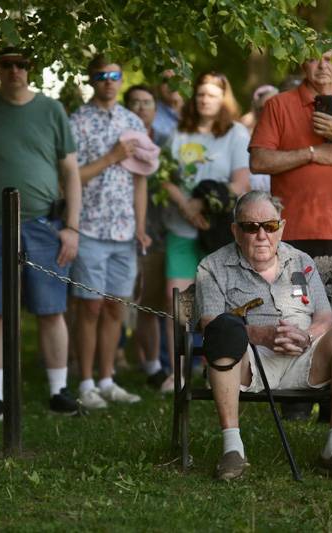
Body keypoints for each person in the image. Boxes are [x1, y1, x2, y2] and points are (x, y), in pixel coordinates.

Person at [197, 191, 332, 481]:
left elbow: (324, 317)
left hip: (305, 356)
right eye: (251, 227)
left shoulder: (300, 261)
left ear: (282, 227)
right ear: (236, 231)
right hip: (247, 361)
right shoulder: (212, 266)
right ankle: (232, 449)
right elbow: (209, 323)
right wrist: (259, 335)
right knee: (223, 331)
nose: (262, 235)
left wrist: (306, 336)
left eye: (270, 226)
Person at [250, 50, 332, 423]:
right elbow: (259, 160)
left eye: (330, 59)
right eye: (314, 59)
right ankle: (295, 399)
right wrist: (312, 153)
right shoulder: (279, 105)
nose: (323, 66)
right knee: (294, 314)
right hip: (294, 233)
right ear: (302, 65)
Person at [0, 46, 82, 419]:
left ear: (30, 68)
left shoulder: (51, 109)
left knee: (51, 309)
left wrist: (73, 227)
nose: (14, 70)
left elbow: (71, 172)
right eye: (6, 64)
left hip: (44, 223)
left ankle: (59, 391)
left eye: (21, 64)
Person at [69, 56, 151, 408]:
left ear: (121, 79)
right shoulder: (76, 121)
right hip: (88, 227)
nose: (108, 81)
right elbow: (70, 178)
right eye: (101, 76)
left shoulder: (132, 121)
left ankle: (107, 379)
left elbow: (140, 181)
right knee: (89, 308)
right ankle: (85, 382)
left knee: (117, 308)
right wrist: (112, 156)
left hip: (124, 231)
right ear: (91, 80)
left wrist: (141, 227)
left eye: (114, 75)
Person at [162, 71, 251, 391]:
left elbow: (241, 183)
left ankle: (219, 371)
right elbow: (164, 177)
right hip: (181, 229)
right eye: (200, 94)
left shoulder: (236, 134)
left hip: (218, 234)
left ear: (223, 99)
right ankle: (178, 373)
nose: (204, 100)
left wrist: (202, 204)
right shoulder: (179, 133)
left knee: (221, 305)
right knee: (176, 301)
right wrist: (186, 206)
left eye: (212, 94)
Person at [124, 84, 171, 389]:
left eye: (147, 102)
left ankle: (162, 365)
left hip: (162, 230)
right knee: (137, 299)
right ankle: (150, 362)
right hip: (123, 228)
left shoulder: (168, 141)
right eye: (135, 103)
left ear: (156, 109)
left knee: (156, 298)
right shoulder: (118, 142)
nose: (141, 108)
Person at [151, 70, 183, 143]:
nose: (171, 84)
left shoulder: (197, 110)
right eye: (165, 81)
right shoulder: (151, 113)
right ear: (158, 87)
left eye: (176, 79)